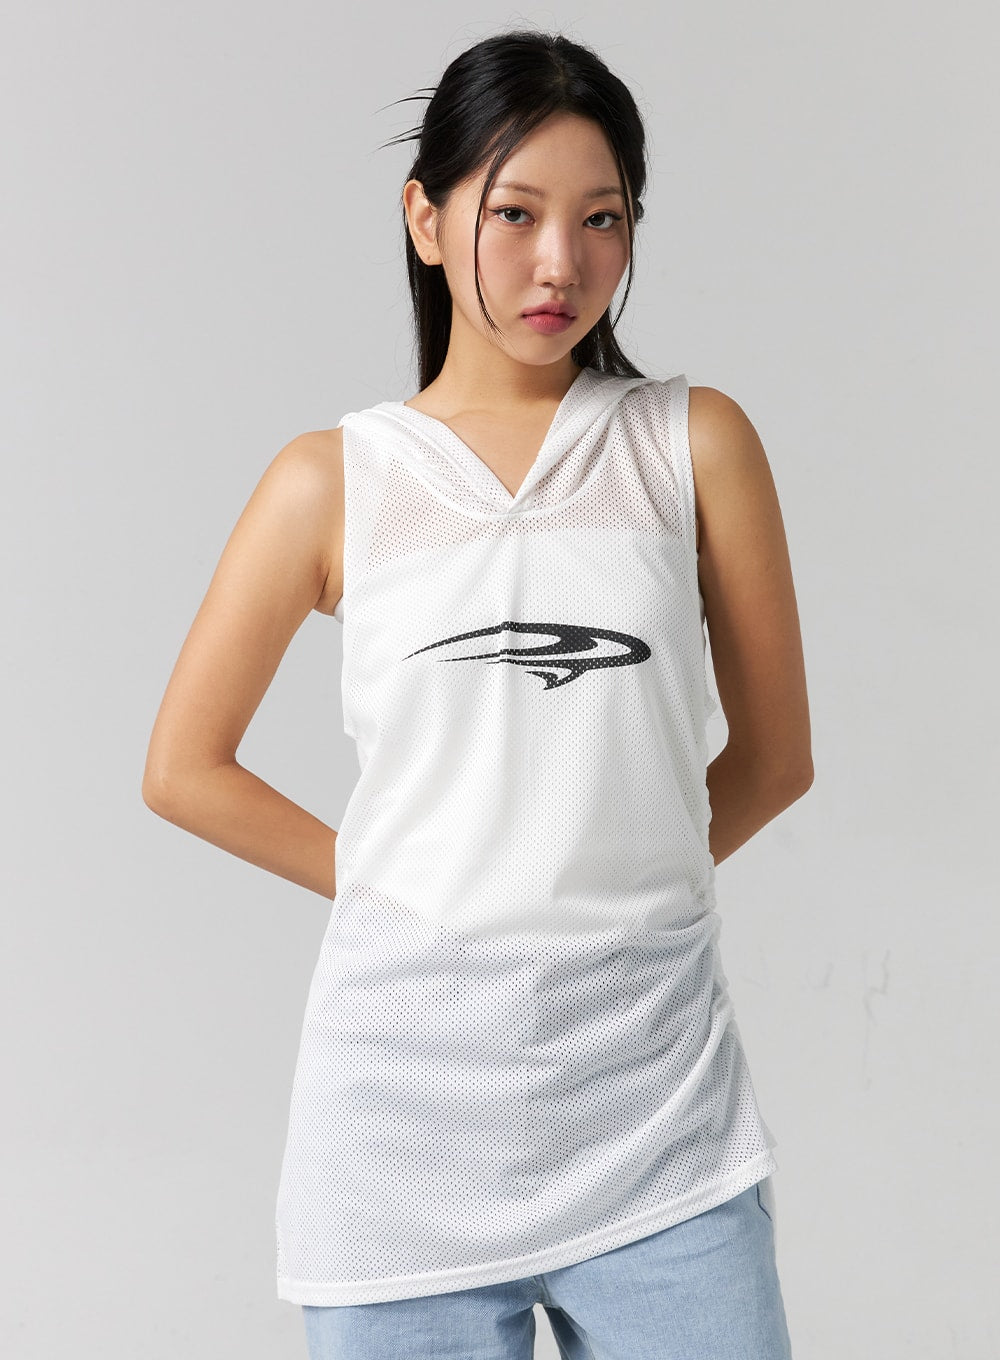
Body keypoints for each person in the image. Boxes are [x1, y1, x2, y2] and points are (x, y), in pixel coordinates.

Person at [142, 28, 812, 1360]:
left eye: (601, 218)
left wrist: (607, 888)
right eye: (515, 214)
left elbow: (777, 758)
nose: (560, 262)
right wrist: (408, 885)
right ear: (427, 220)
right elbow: (183, 769)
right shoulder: (332, 481)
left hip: (658, 1121)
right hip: (402, 1133)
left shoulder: (693, 445)